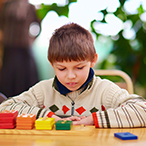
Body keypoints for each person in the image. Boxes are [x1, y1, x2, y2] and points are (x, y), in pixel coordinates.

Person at [0, 23, 146, 128]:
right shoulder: (43, 91)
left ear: (93, 60)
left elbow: (143, 110)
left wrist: (92, 119)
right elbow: (5, 107)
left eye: (79, 67)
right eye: (62, 69)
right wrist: (51, 117)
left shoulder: (105, 91)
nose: (71, 76)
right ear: (52, 64)